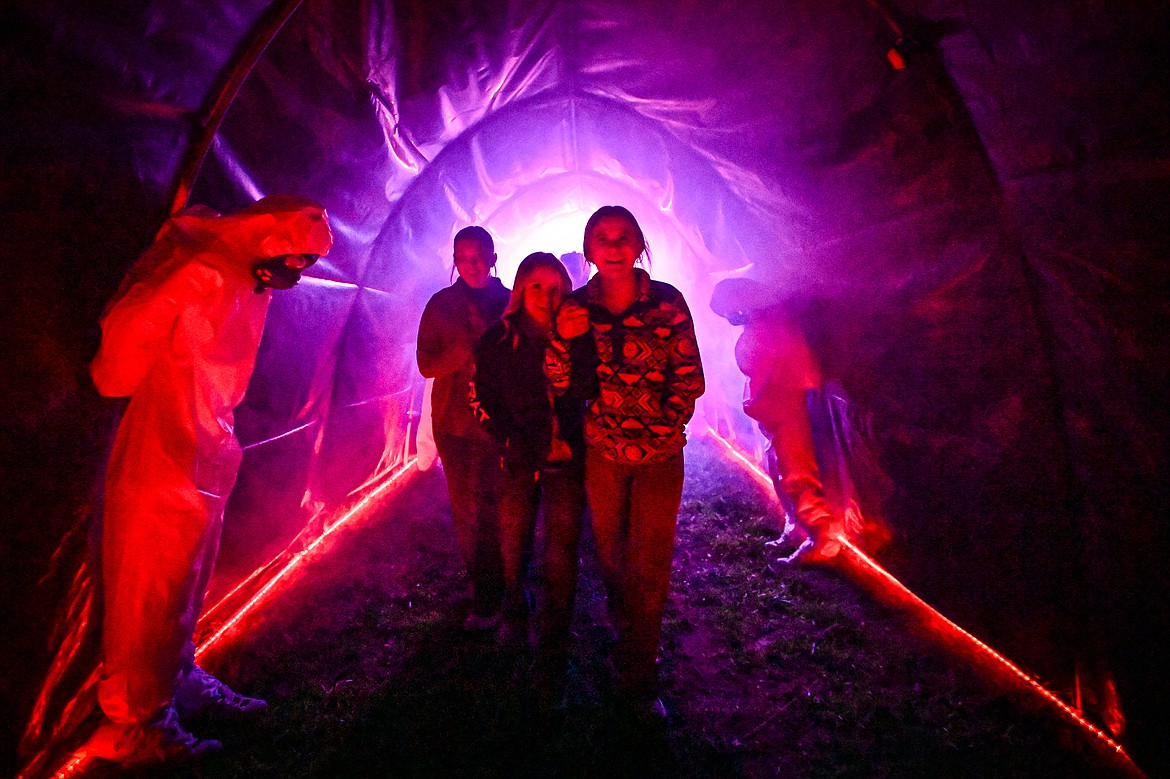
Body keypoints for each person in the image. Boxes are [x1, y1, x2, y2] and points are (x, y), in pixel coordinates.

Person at [85, 195, 334, 766]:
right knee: (148, 588)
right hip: (161, 446)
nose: (298, 273)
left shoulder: (248, 279)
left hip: (205, 442)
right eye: (294, 259)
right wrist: (122, 377)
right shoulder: (201, 272)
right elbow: (120, 349)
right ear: (268, 238)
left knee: (183, 581)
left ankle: (176, 679)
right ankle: (131, 724)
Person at [548, 206, 704, 718]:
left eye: (623, 237)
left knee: (650, 559)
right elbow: (557, 380)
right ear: (589, 248)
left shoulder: (667, 302)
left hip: (659, 455)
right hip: (605, 453)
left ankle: (638, 672)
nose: (613, 247)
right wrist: (560, 339)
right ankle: (626, 625)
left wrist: (666, 422)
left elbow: (690, 375)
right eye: (602, 238)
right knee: (612, 554)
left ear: (639, 244)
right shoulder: (576, 308)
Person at [469, 253, 590, 704]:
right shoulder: (498, 340)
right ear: (520, 289)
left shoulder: (581, 336)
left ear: (567, 289)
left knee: (561, 557)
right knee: (513, 544)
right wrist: (511, 445)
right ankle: (513, 615)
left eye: (555, 286)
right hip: (519, 462)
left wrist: (571, 347)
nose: (546, 295)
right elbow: (482, 400)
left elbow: (588, 394)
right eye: (536, 286)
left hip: (566, 464)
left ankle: (553, 650)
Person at [709, 277, 853, 560]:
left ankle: (821, 539)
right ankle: (796, 527)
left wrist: (763, 395)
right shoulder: (760, 321)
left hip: (789, 402)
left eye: (729, 309)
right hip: (774, 406)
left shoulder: (776, 324)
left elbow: (786, 368)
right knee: (780, 468)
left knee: (796, 470)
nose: (730, 317)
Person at [416, 226, 510, 630]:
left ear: (493, 256)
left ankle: (508, 582)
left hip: (500, 423)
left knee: (500, 506)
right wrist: (465, 348)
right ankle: (484, 593)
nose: (470, 264)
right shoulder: (441, 305)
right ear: (454, 261)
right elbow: (425, 364)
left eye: (478, 256)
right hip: (455, 425)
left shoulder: (509, 301)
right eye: (461, 257)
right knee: (469, 509)